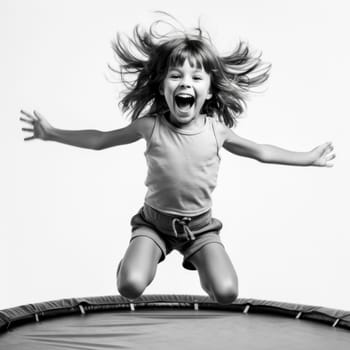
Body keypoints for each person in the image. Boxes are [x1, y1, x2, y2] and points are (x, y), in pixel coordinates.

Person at [20, 17, 335, 305]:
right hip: (153, 224)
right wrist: (52, 133)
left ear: (209, 91)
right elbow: (101, 139)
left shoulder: (217, 131)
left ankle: (204, 266)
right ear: (162, 86)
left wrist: (307, 158)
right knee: (130, 285)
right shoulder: (151, 125)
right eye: (175, 75)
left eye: (196, 77)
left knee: (226, 292)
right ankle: (135, 260)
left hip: (200, 229)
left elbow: (262, 152)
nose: (185, 83)